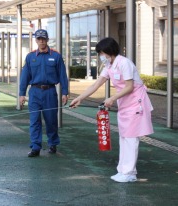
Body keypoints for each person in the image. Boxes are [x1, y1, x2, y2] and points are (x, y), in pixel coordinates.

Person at [69, 37, 154, 182]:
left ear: (110, 51)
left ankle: (129, 173)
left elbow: (129, 86)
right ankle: (123, 170)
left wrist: (112, 98)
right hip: (125, 103)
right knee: (124, 136)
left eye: (102, 53)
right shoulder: (109, 66)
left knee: (131, 138)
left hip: (136, 102)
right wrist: (80, 98)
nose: (101, 56)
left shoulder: (124, 63)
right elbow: (96, 85)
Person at [19, 29, 69, 157]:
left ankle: (52, 143)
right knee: (34, 120)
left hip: (50, 92)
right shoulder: (30, 57)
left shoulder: (56, 56)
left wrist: (65, 92)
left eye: (43, 39)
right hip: (34, 92)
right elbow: (25, 76)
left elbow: (62, 75)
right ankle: (35, 147)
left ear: (47, 39)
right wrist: (22, 94)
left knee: (51, 120)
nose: (41, 41)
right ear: (36, 40)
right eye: (39, 39)